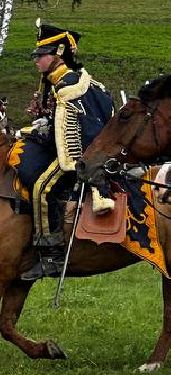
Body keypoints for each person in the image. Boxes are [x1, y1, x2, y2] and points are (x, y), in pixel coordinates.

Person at [10, 22, 116, 280]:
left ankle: (52, 255)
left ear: (58, 53)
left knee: (43, 188)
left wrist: (37, 132)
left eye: (41, 55)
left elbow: (73, 129)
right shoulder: (60, 80)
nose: (36, 60)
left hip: (75, 153)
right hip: (65, 147)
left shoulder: (68, 85)